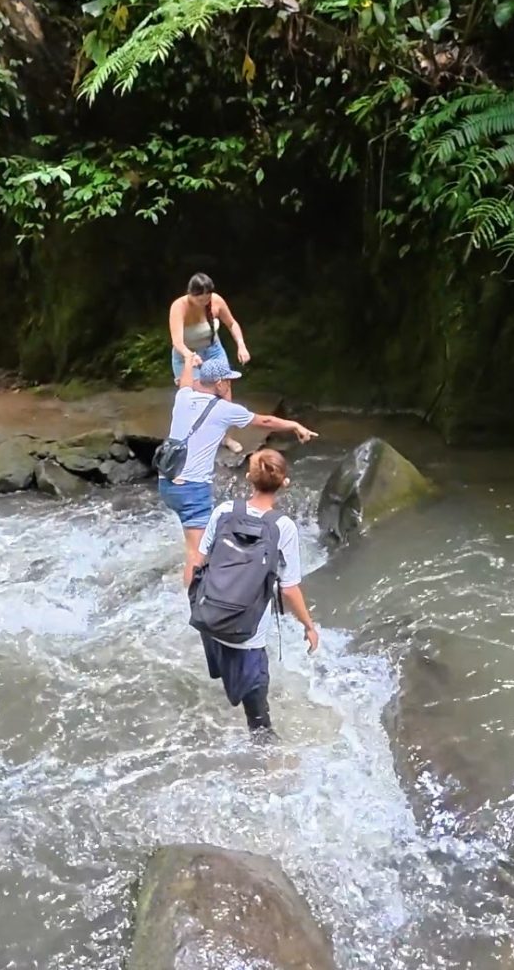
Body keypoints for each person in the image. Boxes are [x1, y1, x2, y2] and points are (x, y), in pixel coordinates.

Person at [158, 352, 317, 586]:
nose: (230, 385)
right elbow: (265, 422)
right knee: (197, 553)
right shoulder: (224, 410)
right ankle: (194, 607)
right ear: (220, 383)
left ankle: (201, 586)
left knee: (198, 545)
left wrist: (190, 365)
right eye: (229, 381)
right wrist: (294, 425)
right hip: (192, 489)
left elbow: (184, 382)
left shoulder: (183, 397)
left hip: (167, 483)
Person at [194, 449, 320, 737]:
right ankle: (268, 774)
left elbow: (199, 563)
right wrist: (309, 627)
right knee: (260, 727)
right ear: (284, 482)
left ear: (249, 477)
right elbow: (289, 588)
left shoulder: (224, 511)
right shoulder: (283, 527)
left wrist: (199, 606)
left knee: (227, 680)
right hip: (247, 635)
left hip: (210, 620)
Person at [169, 272, 249, 455]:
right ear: (190, 294)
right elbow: (177, 342)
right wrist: (190, 356)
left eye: (207, 298)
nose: (204, 302)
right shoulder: (179, 307)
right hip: (186, 355)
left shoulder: (216, 301)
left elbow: (232, 324)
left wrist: (241, 345)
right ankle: (196, 440)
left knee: (225, 393)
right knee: (196, 397)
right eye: (200, 299)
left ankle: (226, 437)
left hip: (213, 349)